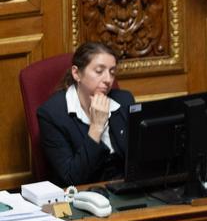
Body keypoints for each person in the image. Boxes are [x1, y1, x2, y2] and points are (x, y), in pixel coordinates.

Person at [37, 42, 135, 187]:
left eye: (112, 72)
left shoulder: (124, 100)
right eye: (99, 71)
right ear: (76, 73)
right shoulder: (51, 114)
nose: (108, 80)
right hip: (85, 194)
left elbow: (138, 159)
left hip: (127, 188)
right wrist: (96, 127)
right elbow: (71, 179)